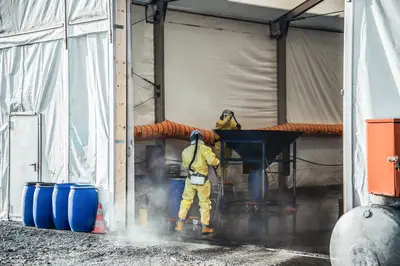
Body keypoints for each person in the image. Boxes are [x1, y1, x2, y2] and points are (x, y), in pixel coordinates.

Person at [175, 130, 220, 235]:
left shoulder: (185, 151)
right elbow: (212, 161)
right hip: (202, 181)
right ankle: (205, 227)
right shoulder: (205, 149)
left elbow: (185, 165)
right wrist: (218, 162)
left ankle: (179, 224)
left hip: (190, 180)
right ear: (201, 139)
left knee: (186, 201)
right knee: (204, 203)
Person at [214, 109, 241, 177]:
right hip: (220, 145)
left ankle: (224, 179)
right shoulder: (219, 122)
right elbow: (223, 123)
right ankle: (219, 179)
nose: (228, 117)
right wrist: (228, 116)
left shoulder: (231, 123)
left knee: (226, 163)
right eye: (226, 116)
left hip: (228, 145)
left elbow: (236, 129)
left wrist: (238, 127)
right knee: (220, 162)